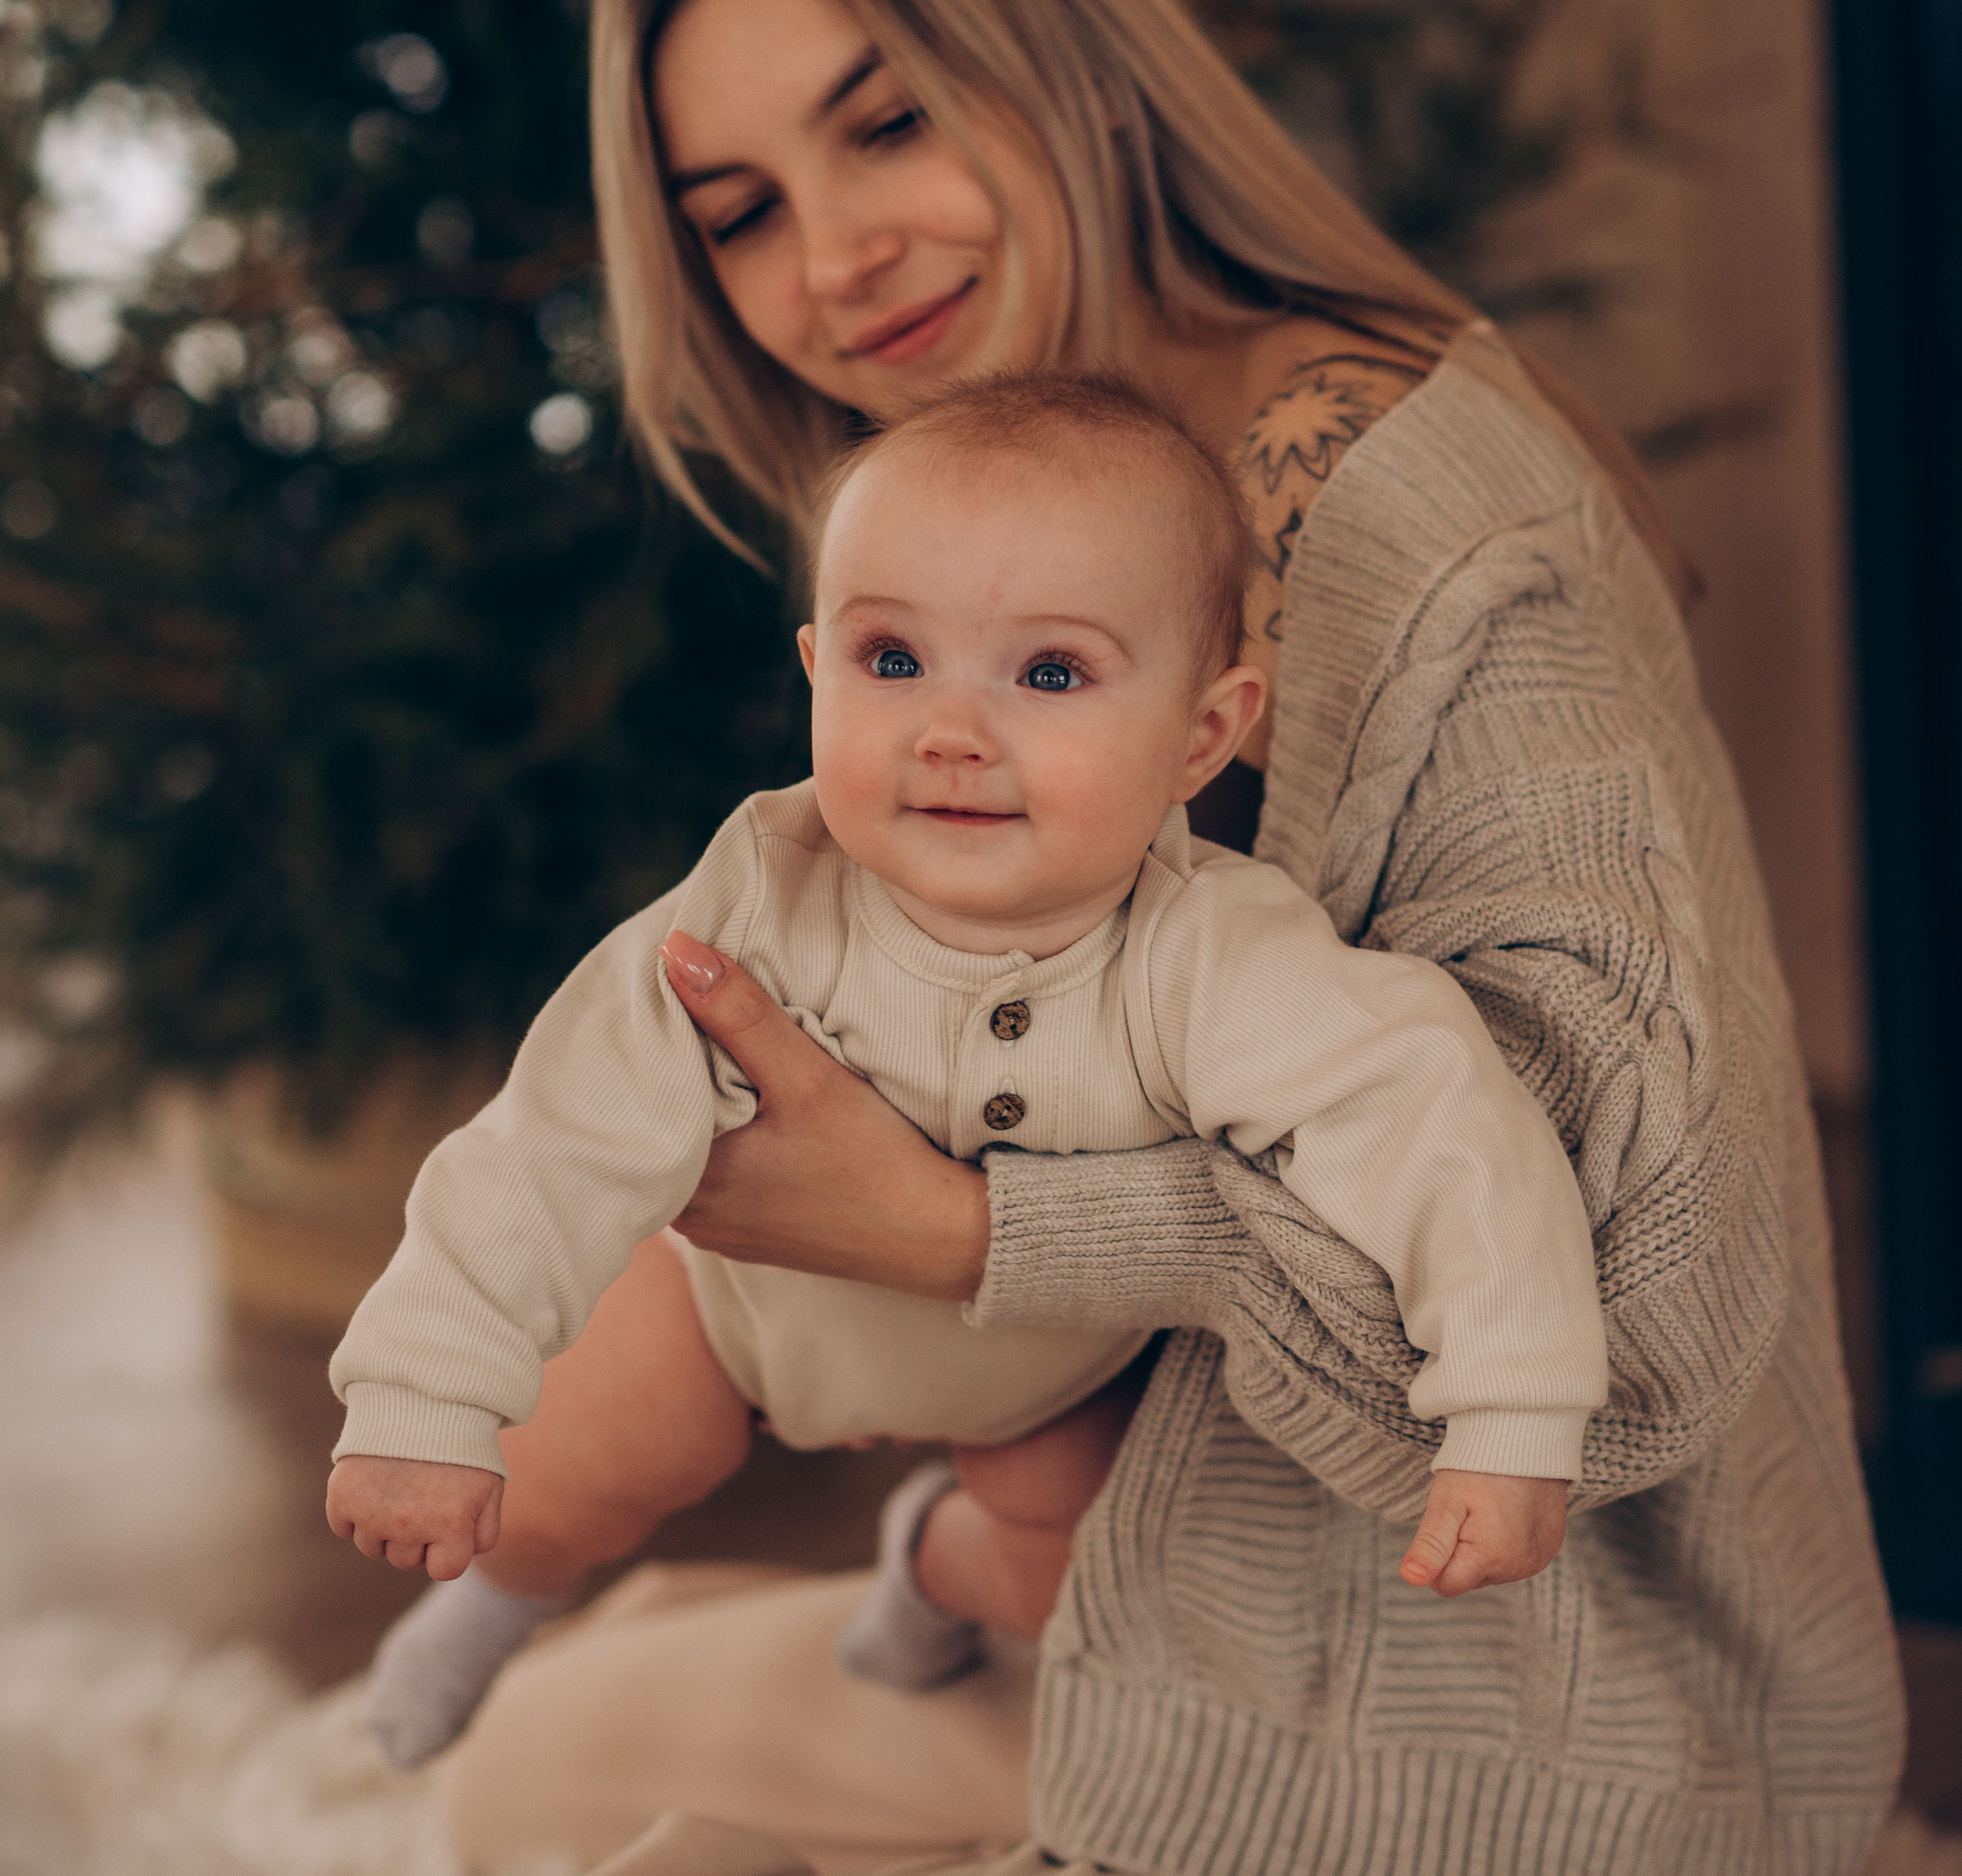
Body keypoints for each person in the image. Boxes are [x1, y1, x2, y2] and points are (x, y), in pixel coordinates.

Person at [386, 0, 1904, 1876]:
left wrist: (971, 1234)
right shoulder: (1020, 525)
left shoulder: (1443, 546)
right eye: (741, 208)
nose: (835, 256)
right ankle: (974, 1726)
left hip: (1524, 1794)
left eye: (888, 121)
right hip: (1203, 1631)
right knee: (519, 1750)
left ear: (1064, 51)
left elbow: (1643, 1298)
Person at [328, 375, 1604, 1768]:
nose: (950, 732)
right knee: (567, 1474)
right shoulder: (756, 904)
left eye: (1049, 675)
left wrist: (1511, 1409)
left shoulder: (1216, 959)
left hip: (1038, 1376)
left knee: (1097, 1573)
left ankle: (933, 1562)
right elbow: (550, 1142)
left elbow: (1438, 1126)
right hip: (737, 1314)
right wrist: (422, 1401)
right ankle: (483, 1620)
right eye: (892, 661)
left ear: (1200, 736)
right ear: (815, 670)